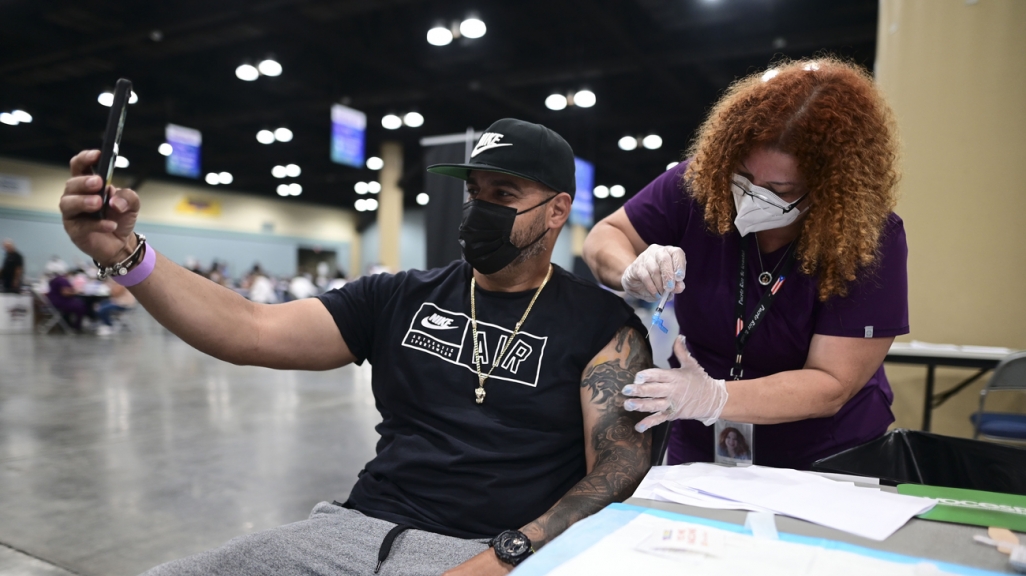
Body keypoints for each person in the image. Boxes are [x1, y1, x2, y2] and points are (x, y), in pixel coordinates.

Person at [59, 118, 652, 575]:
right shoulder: (397, 297)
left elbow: (620, 465)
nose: (480, 209)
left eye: (504, 193)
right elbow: (249, 329)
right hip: (352, 530)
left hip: (490, 548)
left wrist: (510, 553)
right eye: (475, 191)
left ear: (557, 211)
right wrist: (124, 253)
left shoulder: (603, 324)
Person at [583, 58, 907, 470]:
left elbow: (831, 384)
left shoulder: (867, 238)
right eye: (742, 175)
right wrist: (630, 269)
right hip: (703, 441)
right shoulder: (699, 185)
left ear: (830, 187)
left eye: (779, 188)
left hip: (823, 453)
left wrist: (715, 397)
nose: (752, 195)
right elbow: (605, 237)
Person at [46, 264, 90, 332]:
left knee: (76, 304)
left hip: (54, 302)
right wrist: (76, 292)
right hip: (60, 303)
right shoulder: (62, 280)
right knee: (81, 306)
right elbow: (65, 293)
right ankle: (76, 327)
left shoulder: (56, 280)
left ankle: (69, 324)